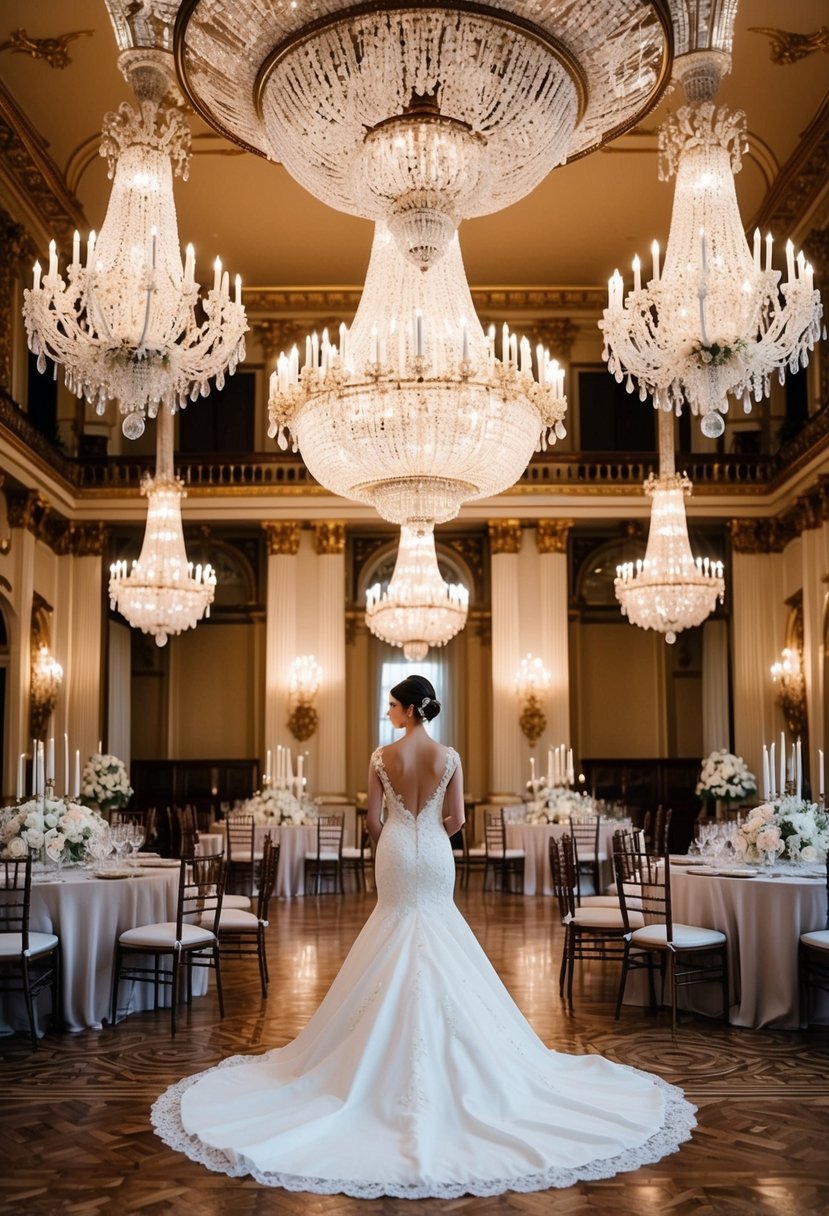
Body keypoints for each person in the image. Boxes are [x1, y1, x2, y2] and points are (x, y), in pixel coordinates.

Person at [152, 674, 695, 1198]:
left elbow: (370, 820)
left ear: (410, 708)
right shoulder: (450, 756)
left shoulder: (379, 756)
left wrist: (395, 832)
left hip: (393, 852)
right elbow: (457, 820)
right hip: (435, 852)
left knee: (392, 927)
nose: (387, 712)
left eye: (392, 705)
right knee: (437, 929)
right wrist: (429, 826)